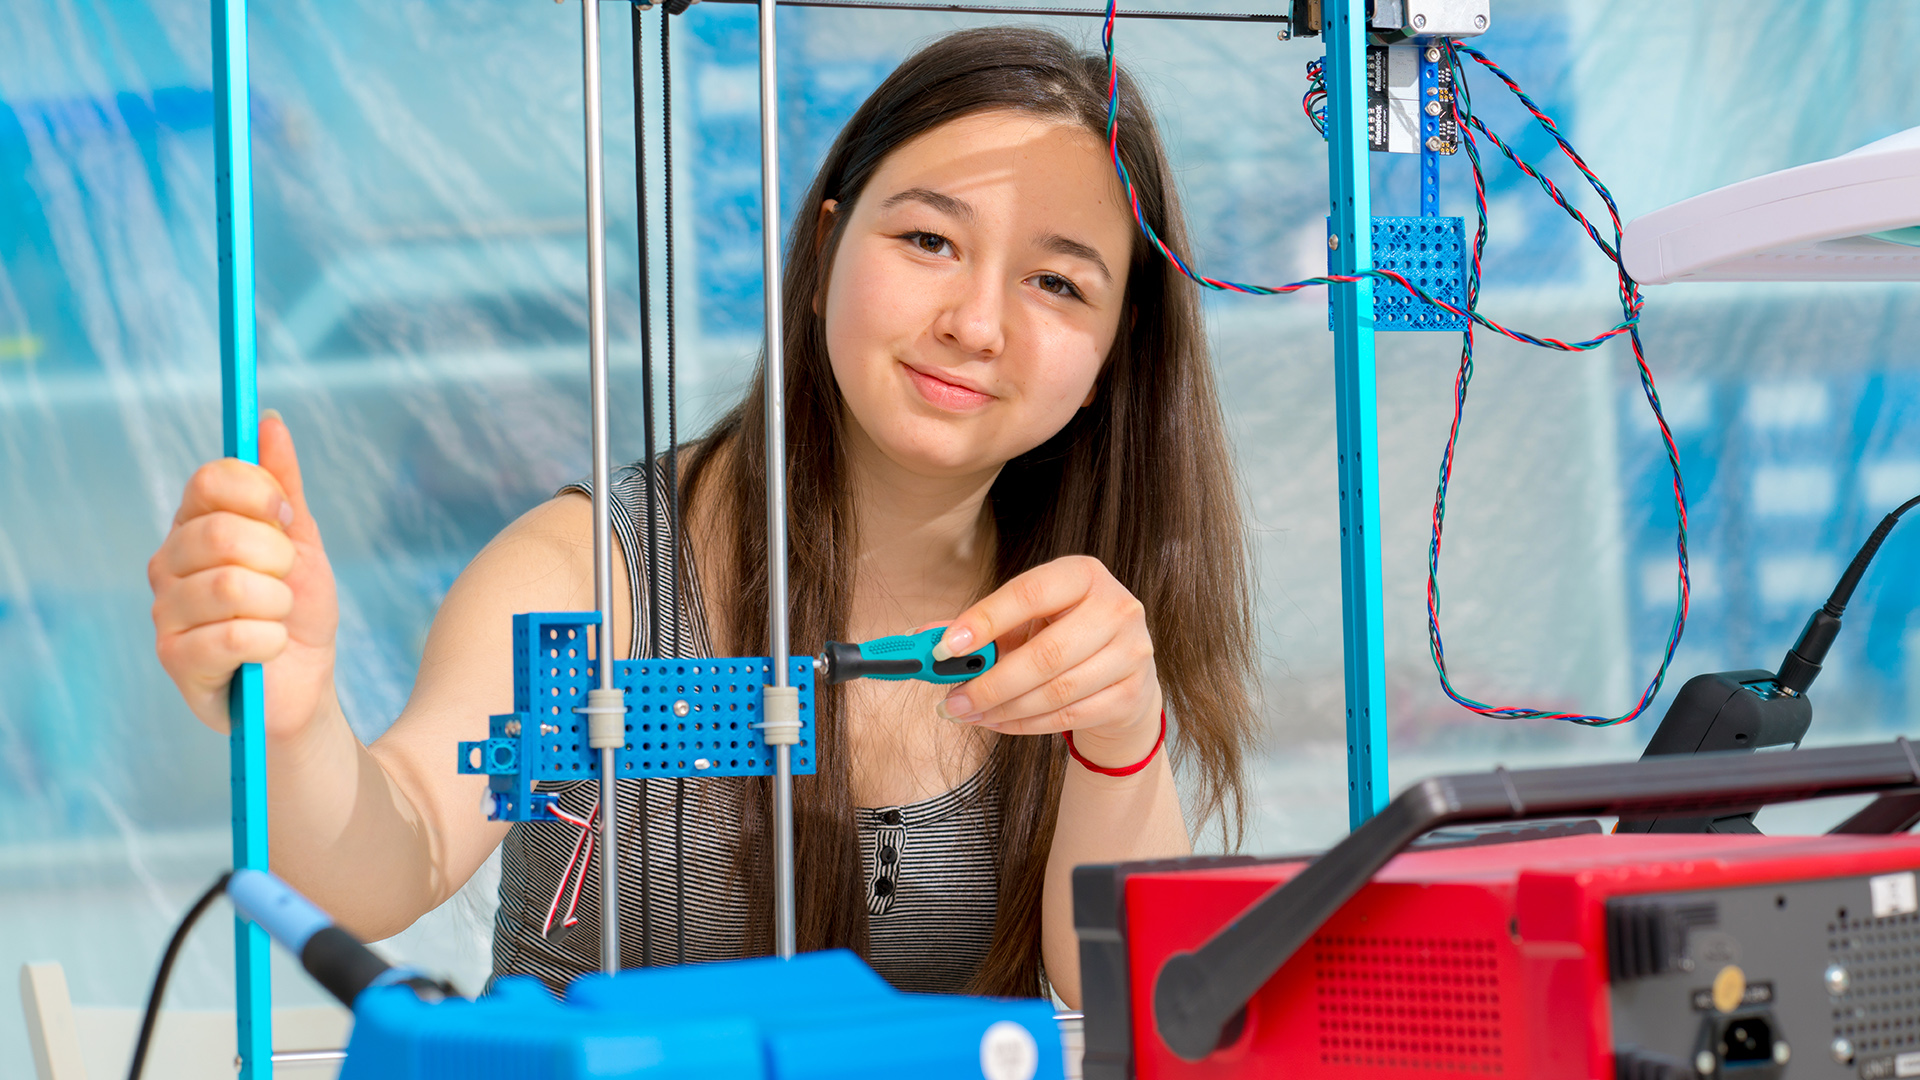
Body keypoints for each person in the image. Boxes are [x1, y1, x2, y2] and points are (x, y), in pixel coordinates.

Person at [147, 26, 1256, 1005]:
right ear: (821, 254)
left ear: (1117, 355)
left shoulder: (1086, 616)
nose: (975, 322)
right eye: (929, 241)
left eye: (1057, 284)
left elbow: (1136, 1003)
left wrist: (1120, 735)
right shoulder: (591, 574)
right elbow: (392, 853)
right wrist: (294, 719)